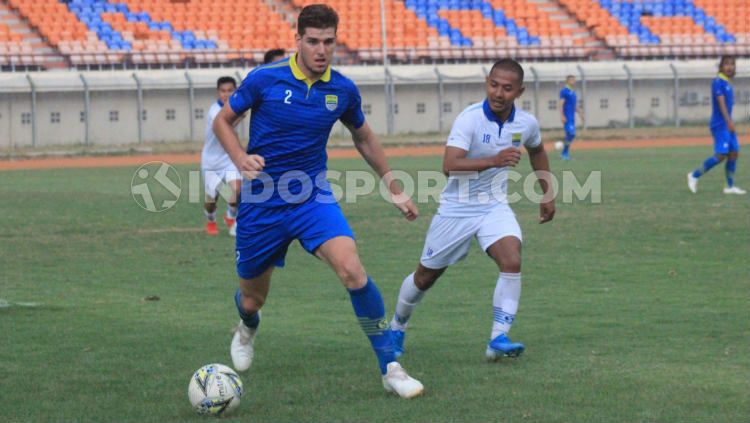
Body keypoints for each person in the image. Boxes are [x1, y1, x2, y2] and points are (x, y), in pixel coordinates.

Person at [212, 4, 424, 398]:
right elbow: (222, 120)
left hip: (312, 198)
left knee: (352, 271)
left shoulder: (342, 89)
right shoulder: (264, 79)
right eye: (313, 41)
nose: (321, 50)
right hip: (261, 204)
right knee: (253, 297)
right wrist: (240, 158)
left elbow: (363, 137)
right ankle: (246, 327)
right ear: (298, 41)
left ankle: (390, 367)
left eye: (328, 42)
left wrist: (394, 186)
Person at [388, 59, 555, 362]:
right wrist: (493, 160)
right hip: (457, 209)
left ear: (520, 91)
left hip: (494, 207)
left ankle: (497, 339)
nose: (499, 93)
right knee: (426, 276)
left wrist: (547, 191)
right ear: (486, 83)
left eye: (507, 88)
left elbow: (538, 150)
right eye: (494, 84)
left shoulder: (526, 123)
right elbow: (449, 166)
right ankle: (397, 326)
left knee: (512, 260)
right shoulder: (470, 119)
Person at [688, 56, 745, 194]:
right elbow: (721, 103)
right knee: (721, 155)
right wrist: (729, 121)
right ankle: (694, 175)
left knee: (734, 153)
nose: (730, 67)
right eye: (726, 64)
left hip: (727, 124)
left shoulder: (727, 83)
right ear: (721, 67)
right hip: (720, 125)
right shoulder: (718, 82)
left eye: (732, 64)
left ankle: (730, 187)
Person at [201, 76, 242, 236]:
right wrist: (242, 115)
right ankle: (211, 219)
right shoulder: (214, 111)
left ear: (235, 91)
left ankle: (230, 216)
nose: (226, 94)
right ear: (218, 92)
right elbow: (224, 127)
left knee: (238, 190)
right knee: (212, 199)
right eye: (223, 91)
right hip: (211, 163)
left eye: (230, 91)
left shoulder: (235, 107)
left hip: (228, 159)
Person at [558, 75, 584, 160]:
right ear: (567, 81)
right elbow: (561, 104)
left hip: (572, 117)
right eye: (572, 80)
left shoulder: (573, 92)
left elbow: (574, 105)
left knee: (570, 135)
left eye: (574, 80)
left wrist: (580, 113)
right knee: (571, 134)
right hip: (567, 116)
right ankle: (564, 153)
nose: (574, 81)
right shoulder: (564, 91)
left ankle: (564, 153)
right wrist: (562, 116)